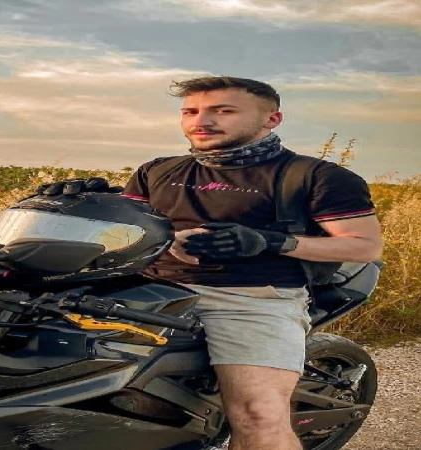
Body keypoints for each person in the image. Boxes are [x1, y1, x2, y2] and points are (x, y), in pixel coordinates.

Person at [115, 76, 383, 450]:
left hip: (249, 299)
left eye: (223, 111)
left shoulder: (315, 176)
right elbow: (129, 228)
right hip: (146, 289)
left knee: (260, 418)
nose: (201, 121)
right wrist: (81, 202)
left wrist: (270, 241)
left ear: (272, 119)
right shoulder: (157, 170)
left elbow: (364, 247)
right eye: (190, 112)